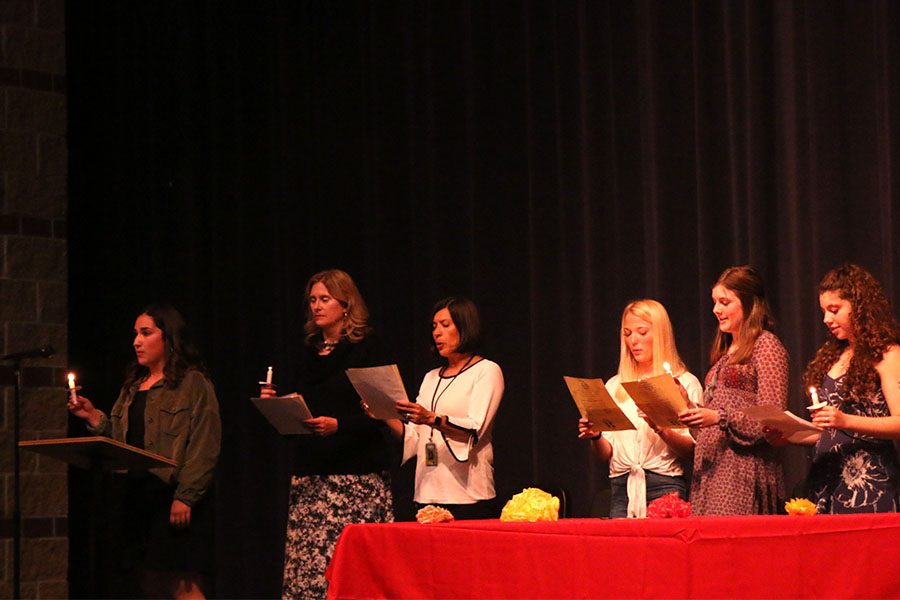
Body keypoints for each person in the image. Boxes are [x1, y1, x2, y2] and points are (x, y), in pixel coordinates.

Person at [68, 304, 220, 599]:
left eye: (146, 333)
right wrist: (93, 417)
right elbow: (123, 441)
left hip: (172, 495)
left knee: (182, 585)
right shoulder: (133, 387)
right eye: (135, 334)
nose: (136, 341)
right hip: (138, 496)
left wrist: (185, 497)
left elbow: (205, 444)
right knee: (150, 582)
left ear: (169, 338)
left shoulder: (193, 383)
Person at [260, 269, 395, 599]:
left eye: (324, 299)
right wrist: (278, 408)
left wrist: (340, 425)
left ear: (346, 304)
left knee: (355, 576)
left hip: (355, 481)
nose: (316, 307)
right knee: (310, 578)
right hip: (311, 479)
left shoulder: (367, 348)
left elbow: (385, 412)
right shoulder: (306, 352)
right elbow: (298, 412)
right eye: (312, 300)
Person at [773, 263, 900, 513]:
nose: (826, 319)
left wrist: (844, 420)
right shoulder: (835, 356)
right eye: (824, 311)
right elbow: (831, 434)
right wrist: (791, 435)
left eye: (834, 310)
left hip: (869, 487)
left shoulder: (888, 354)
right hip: (828, 485)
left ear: (860, 307)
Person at [679, 265, 789, 515]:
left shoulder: (766, 345)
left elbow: (771, 418)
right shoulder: (722, 358)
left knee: (732, 549)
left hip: (741, 476)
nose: (716, 309)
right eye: (715, 302)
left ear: (749, 303)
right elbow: (706, 431)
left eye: (725, 302)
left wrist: (719, 416)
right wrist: (688, 407)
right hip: (710, 473)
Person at [577, 299, 703, 518]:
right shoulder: (615, 385)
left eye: (642, 332)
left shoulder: (683, 383)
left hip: (664, 486)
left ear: (660, 334)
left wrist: (660, 427)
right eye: (627, 334)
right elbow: (606, 453)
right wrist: (595, 436)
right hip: (621, 487)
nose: (633, 341)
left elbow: (692, 449)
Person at [388, 297, 504, 520]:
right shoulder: (431, 377)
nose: (436, 333)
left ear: (465, 326)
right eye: (433, 327)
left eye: (445, 325)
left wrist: (431, 418)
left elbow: (474, 428)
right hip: (428, 492)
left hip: (467, 494)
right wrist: (382, 415)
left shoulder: (486, 371)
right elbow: (414, 436)